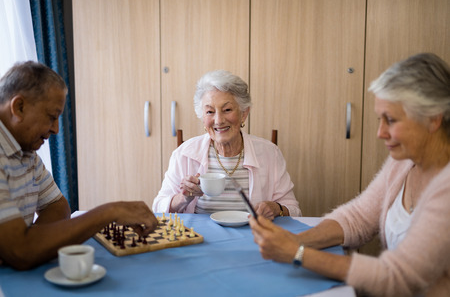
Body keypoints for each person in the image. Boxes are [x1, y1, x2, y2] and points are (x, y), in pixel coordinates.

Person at [249, 53, 450, 296]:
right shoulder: (405, 161)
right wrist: (296, 240)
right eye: (379, 119)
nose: (380, 132)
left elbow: (398, 277)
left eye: (391, 120)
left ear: (433, 119)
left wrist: (296, 253)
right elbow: (359, 217)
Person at [0, 61, 158, 270]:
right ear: (19, 107)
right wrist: (108, 212)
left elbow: (57, 207)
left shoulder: (25, 151)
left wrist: (33, 242)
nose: (56, 129)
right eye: (51, 117)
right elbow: (21, 252)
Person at [152, 70, 301, 219]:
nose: (218, 120)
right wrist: (184, 198)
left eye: (227, 110)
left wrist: (276, 208)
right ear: (202, 117)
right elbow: (158, 207)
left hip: (254, 236)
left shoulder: (270, 153)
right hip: (200, 237)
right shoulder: (184, 154)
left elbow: (294, 210)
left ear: (244, 113)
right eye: (210, 111)